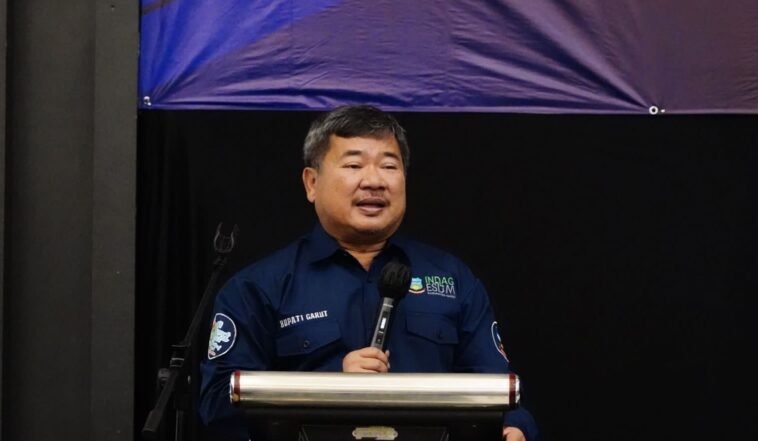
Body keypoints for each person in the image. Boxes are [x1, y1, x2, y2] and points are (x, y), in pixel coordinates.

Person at [199, 105, 538, 441]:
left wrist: (516, 427)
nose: (374, 181)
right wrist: (333, 385)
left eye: (389, 166)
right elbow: (217, 405)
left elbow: (499, 389)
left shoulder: (452, 280)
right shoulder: (259, 287)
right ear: (312, 183)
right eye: (353, 165)